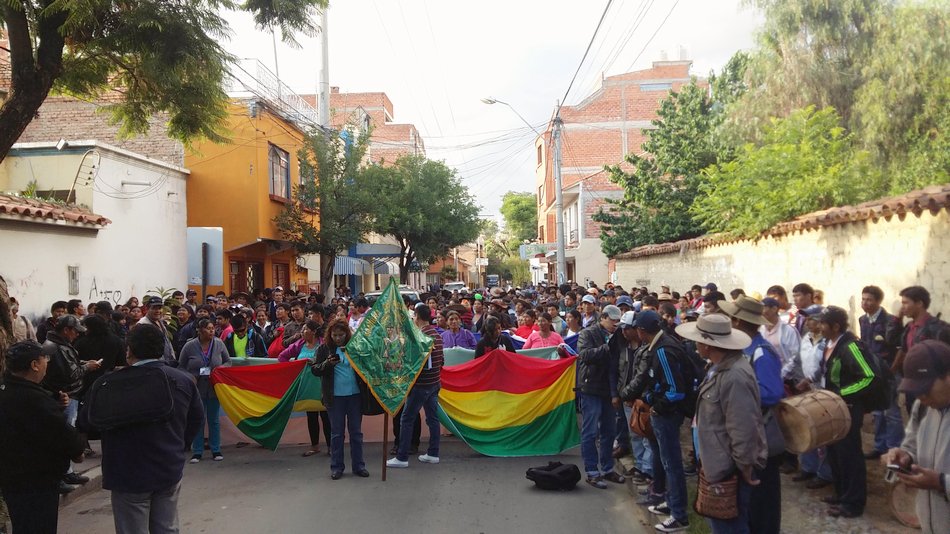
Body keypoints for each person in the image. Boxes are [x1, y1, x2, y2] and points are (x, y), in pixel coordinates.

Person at [81, 324, 204, 534]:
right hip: (168, 467)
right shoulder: (182, 380)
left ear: (129, 350)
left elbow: (87, 422)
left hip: (127, 473)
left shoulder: (107, 384)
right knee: (167, 527)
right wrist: (177, 446)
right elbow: (196, 419)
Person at [678, 314, 765, 534]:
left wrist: (744, 466)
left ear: (707, 345)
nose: (695, 344)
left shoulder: (734, 376)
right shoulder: (718, 368)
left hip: (729, 468)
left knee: (730, 526)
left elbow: (743, 427)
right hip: (718, 463)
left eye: (698, 340)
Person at [0, 341, 85, 534]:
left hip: (12, 479)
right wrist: (77, 451)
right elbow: (60, 432)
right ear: (34, 365)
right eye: (44, 358)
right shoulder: (34, 399)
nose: (47, 361)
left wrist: (55, 404)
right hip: (36, 480)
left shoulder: (8, 390)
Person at [620, 310, 690, 532]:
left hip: (667, 415)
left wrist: (656, 407)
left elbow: (675, 390)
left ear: (641, 330)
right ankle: (670, 501)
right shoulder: (661, 345)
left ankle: (678, 514)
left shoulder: (663, 350)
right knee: (666, 460)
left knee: (671, 463)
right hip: (664, 411)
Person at [719, 295, 783, 534]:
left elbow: (772, 393)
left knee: (762, 500)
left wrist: (737, 394)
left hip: (760, 435)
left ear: (737, 321)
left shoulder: (761, 352)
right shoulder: (742, 349)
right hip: (746, 432)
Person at [882, 340, 950, 534]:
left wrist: (942, 483)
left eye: (925, 389)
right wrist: (905, 456)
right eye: (916, 390)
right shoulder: (922, 407)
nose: (921, 397)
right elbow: (911, 444)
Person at [817, 306, 876, 518]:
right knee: (835, 452)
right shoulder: (829, 344)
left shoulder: (851, 347)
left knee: (849, 454)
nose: (819, 327)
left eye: (823, 323)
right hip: (834, 408)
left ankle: (853, 502)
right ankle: (841, 493)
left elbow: (868, 376)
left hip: (849, 409)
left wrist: (841, 394)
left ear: (836, 326)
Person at [42, 314, 101, 490]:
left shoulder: (57, 345)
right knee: (62, 437)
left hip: (67, 396)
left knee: (66, 435)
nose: (77, 334)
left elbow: (69, 366)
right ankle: (60, 475)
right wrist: (87, 367)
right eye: (75, 331)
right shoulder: (56, 347)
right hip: (64, 397)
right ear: (66, 330)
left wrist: (82, 363)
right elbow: (70, 374)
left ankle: (66, 472)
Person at [387, 304, 445, 469]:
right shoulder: (437, 335)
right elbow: (441, 361)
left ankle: (402, 457)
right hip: (434, 383)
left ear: (418, 316)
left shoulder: (420, 336)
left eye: (413, 316)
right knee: (432, 419)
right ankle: (433, 453)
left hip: (420, 385)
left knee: (406, 419)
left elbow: (411, 363)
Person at [312, 320, 370, 479]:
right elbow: (315, 369)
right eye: (335, 335)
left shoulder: (354, 347)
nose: (338, 338)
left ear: (347, 334)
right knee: (337, 434)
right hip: (334, 397)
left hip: (355, 396)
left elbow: (366, 366)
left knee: (356, 433)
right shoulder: (324, 349)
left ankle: (359, 466)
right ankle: (337, 467)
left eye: (341, 335)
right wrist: (327, 364)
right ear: (329, 334)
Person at [576, 305, 626, 489]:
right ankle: (592, 471)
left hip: (610, 389)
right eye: (613, 321)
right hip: (590, 387)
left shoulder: (618, 335)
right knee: (590, 432)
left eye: (618, 321)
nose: (615, 324)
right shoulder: (588, 333)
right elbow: (584, 355)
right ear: (603, 317)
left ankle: (607, 468)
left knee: (609, 431)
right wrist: (606, 347)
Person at [177, 318, 230, 463]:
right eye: (208, 329)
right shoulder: (189, 346)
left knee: (214, 420)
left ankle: (216, 449)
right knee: (198, 420)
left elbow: (228, 361)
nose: (211, 331)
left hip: (213, 388)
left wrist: (221, 368)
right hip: (196, 389)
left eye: (213, 328)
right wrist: (190, 377)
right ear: (199, 331)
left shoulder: (219, 344)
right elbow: (181, 366)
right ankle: (197, 451)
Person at [859, 285, 902, 459]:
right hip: (873, 372)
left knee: (891, 411)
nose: (865, 303)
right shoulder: (863, 320)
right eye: (863, 299)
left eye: (869, 300)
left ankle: (894, 449)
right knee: (877, 410)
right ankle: (880, 446)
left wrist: (892, 370)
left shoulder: (890, 321)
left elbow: (900, 348)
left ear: (878, 301)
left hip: (889, 371)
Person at [279, 320, 331, 457]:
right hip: (306, 386)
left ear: (313, 332)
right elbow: (282, 357)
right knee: (311, 417)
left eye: (305, 329)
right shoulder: (299, 345)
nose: (302, 332)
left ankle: (331, 447)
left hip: (322, 386)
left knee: (326, 417)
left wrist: (316, 363)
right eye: (302, 329)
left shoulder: (323, 345)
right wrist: (293, 369)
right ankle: (315, 447)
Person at [136, 296, 176, 364]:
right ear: (147, 308)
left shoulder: (160, 322)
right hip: (152, 364)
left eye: (159, 308)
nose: (157, 311)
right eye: (154, 308)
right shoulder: (142, 324)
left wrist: (173, 358)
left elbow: (167, 342)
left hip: (166, 363)